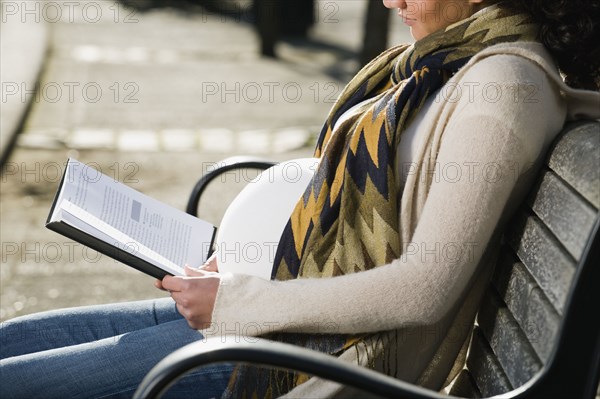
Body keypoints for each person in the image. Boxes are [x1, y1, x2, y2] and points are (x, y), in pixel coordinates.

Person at [1, 0, 599, 398]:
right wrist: (250, 261)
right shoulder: (457, 62)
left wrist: (243, 302)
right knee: (11, 342)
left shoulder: (502, 92)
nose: (390, 0)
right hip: (289, 318)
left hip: (327, 360)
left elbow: (424, 288)